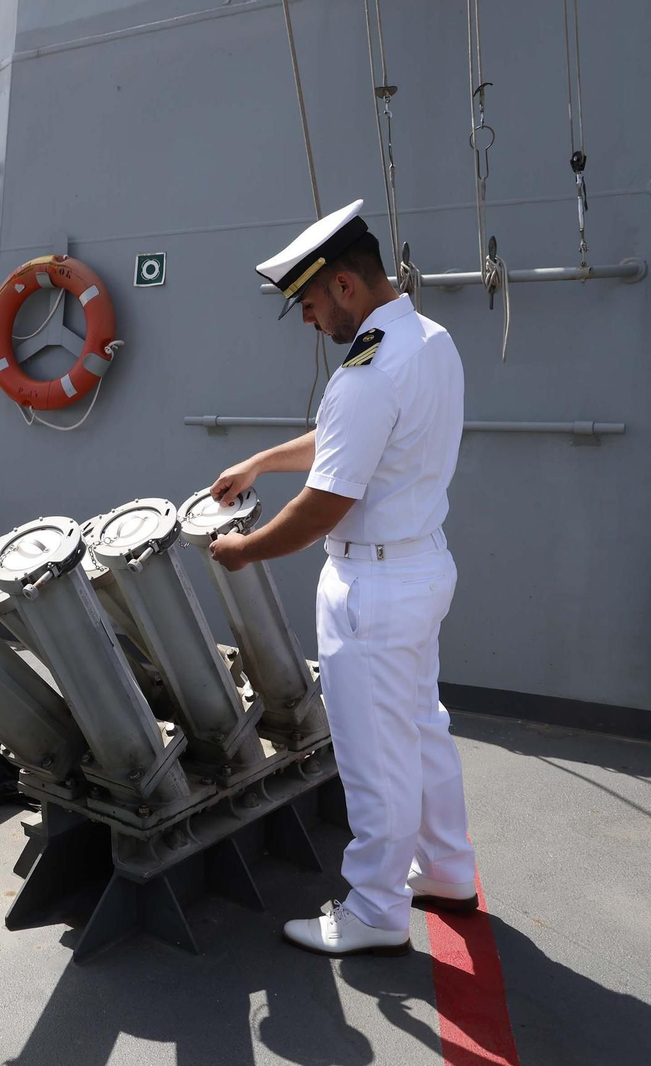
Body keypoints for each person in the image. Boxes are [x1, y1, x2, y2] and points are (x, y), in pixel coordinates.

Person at [208, 199, 479, 957]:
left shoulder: (364, 370)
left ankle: (375, 911)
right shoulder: (428, 341)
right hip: (422, 568)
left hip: (373, 593)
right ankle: (449, 870)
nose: (307, 319)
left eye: (309, 302)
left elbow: (326, 502)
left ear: (347, 289)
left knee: (371, 754)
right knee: (423, 730)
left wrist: (245, 551)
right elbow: (346, 441)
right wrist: (260, 461)